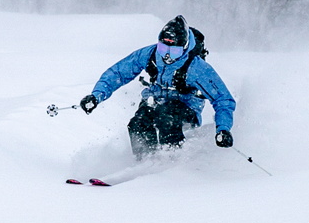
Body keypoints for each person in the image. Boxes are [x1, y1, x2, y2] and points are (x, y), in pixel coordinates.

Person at [80, 15, 235, 158]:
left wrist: (223, 129)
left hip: (186, 109)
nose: (167, 56)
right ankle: (144, 160)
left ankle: (172, 161)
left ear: (185, 47)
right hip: (155, 100)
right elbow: (118, 73)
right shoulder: (150, 54)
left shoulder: (196, 68)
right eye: (163, 49)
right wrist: (96, 96)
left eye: (174, 51)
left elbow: (223, 99)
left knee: (166, 117)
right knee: (138, 123)